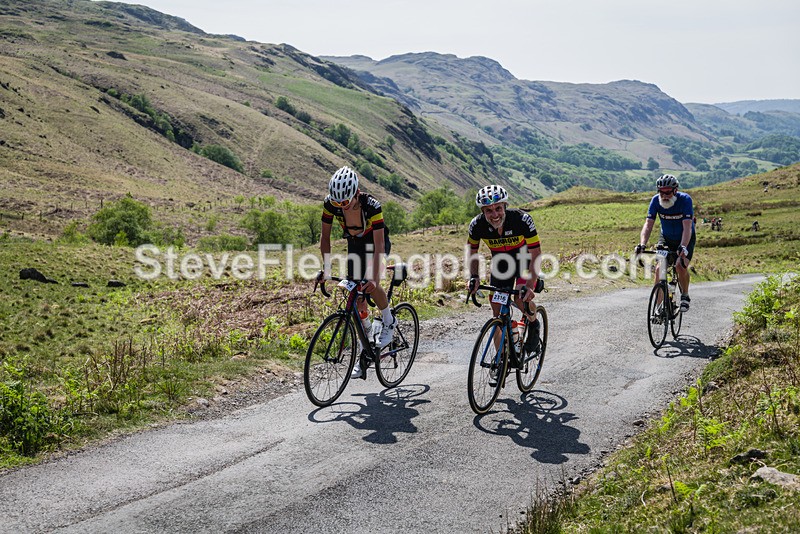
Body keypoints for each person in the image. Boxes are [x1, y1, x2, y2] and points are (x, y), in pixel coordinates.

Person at [316, 166, 395, 379]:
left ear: (356, 193)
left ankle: (389, 320)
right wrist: (326, 269)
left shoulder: (372, 206)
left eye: (345, 202)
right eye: (337, 202)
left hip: (375, 243)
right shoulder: (329, 204)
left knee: (370, 284)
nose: (340, 205)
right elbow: (325, 238)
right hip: (354, 244)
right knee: (356, 298)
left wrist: (374, 278)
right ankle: (366, 345)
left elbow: (378, 247)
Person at [466, 185, 542, 385]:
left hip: (524, 259)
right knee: (498, 312)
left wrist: (531, 284)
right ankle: (503, 360)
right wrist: (474, 277)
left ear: (505, 206)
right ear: (483, 212)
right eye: (489, 210)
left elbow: (536, 253)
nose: (495, 214)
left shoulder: (522, 220)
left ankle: (533, 322)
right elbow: (472, 252)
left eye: (498, 208)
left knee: (519, 297)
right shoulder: (477, 225)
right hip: (501, 264)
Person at [635, 174, 696, 312]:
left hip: (685, 237)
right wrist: (642, 244)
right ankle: (659, 307)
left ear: (675, 190)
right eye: (661, 192)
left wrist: (683, 246)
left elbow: (687, 227)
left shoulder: (685, 200)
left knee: (680, 265)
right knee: (659, 269)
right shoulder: (655, 201)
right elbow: (648, 224)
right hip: (666, 237)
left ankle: (685, 295)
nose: (664, 195)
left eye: (668, 192)